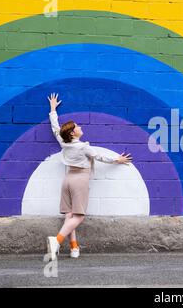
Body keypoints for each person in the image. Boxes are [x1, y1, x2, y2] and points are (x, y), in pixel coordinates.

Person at [46, 93, 132, 260]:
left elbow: (55, 127)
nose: (79, 127)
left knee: (69, 215)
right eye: (77, 126)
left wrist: (52, 110)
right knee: (79, 216)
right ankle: (56, 241)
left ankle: (74, 247)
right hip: (80, 180)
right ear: (72, 133)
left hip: (68, 179)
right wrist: (118, 159)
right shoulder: (83, 147)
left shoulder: (64, 142)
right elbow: (99, 156)